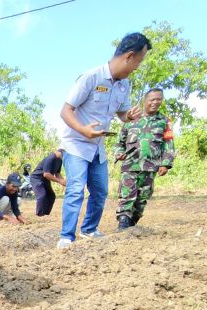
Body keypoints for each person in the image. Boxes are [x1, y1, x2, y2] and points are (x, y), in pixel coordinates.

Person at [57, 32, 151, 249]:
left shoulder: (124, 85)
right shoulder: (91, 77)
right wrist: (83, 129)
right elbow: (65, 110)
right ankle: (66, 237)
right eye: (139, 60)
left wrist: (129, 116)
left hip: (98, 146)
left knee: (100, 191)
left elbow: (121, 113)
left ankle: (89, 230)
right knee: (75, 189)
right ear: (129, 56)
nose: (138, 66)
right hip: (76, 144)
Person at [114, 88, 174, 229]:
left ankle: (132, 225)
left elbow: (169, 144)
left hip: (150, 166)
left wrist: (165, 164)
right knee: (127, 195)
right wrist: (119, 153)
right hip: (130, 165)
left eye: (158, 99)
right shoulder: (131, 120)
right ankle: (123, 225)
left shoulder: (164, 122)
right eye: (152, 99)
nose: (155, 102)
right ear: (145, 101)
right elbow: (119, 143)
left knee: (142, 198)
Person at [29, 149, 66, 216]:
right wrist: (59, 181)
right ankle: (39, 214)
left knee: (51, 196)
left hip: (45, 179)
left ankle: (46, 214)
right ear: (60, 152)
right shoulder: (51, 158)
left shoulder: (59, 160)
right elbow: (46, 174)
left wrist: (63, 181)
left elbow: (57, 173)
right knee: (42, 195)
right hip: (37, 178)